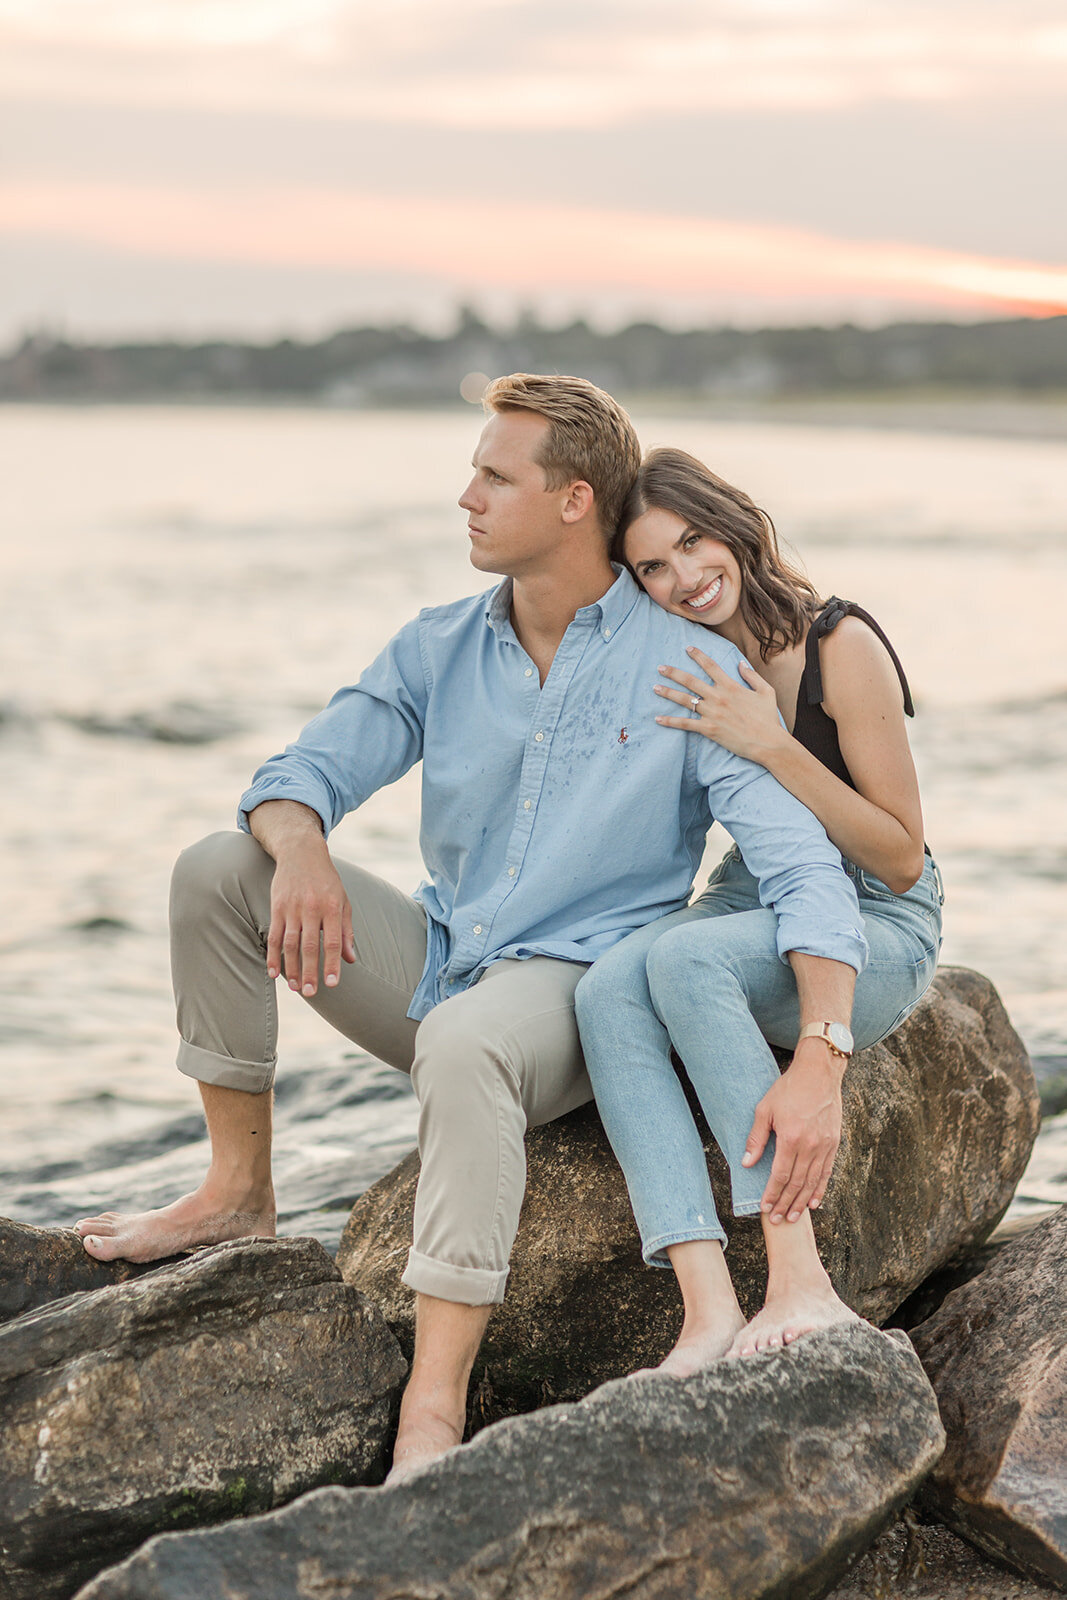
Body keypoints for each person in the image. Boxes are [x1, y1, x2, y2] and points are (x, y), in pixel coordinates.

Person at [74, 378, 867, 1480]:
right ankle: (236, 1194)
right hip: (443, 959)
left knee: (466, 1042)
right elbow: (296, 772)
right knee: (220, 866)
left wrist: (820, 1049)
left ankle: (430, 1415)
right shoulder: (437, 646)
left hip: (571, 998)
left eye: (495, 476)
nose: (466, 496)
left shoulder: (685, 666)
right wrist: (301, 846)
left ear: (574, 501)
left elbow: (802, 874)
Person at [574, 446, 944, 1374]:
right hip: (748, 895)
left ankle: (798, 1277)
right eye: (652, 567)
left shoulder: (838, 644)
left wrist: (770, 745)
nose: (683, 579)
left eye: (693, 543)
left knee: (684, 964)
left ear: (734, 525)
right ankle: (704, 1307)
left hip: (874, 915)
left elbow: (898, 855)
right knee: (608, 990)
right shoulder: (684, 655)